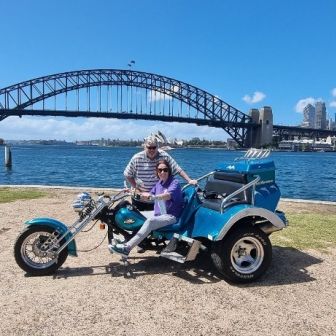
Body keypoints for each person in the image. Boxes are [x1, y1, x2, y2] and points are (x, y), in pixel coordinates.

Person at [110, 159, 183, 258]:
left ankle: (126, 248)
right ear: (157, 172)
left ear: (169, 170)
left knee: (150, 221)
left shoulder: (174, 182)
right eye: (160, 170)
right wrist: (133, 191)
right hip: (158, 213)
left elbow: (168, 195)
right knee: (135, 215)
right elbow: (148, 194)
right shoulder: (159, 183)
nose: (162, 172)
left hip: (171, 216)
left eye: (165, 170)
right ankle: (129, 240)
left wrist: (156, 197)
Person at [124, 134, 197, 210]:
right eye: (149, 147)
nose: (152, 150)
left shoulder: (164, 156)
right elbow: (127, 174)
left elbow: (178, 169)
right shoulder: (137, 158)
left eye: (154, 147)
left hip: (158, 198)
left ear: (157, 147)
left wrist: (189, 180)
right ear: (144, 147)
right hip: (140, 198)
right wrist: (136, 188)